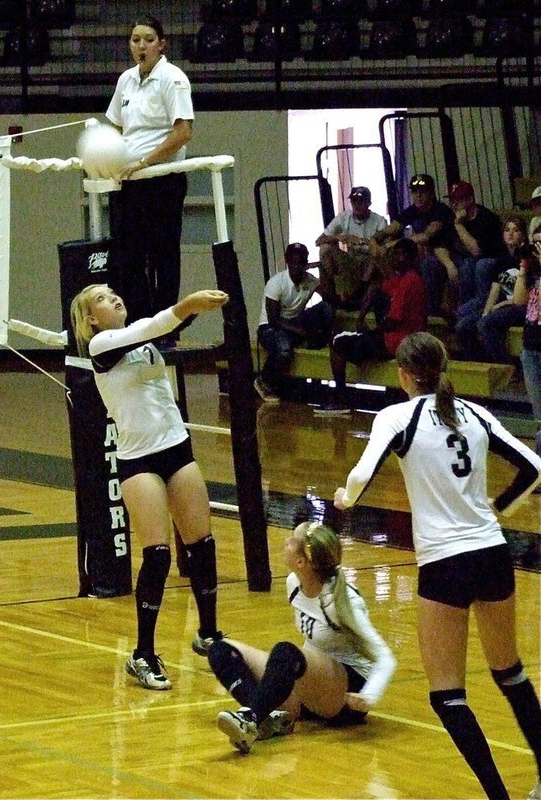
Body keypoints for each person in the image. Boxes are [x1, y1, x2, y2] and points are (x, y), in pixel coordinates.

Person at [334, 331, 541, 800]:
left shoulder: (397, 417)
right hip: (492, 555)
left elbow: (362, 472)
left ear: (404, 374)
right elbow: (533, 465)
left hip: (445, 563)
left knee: (448, 695)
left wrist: (347, 499)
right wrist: (500, 507)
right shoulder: (476, 413)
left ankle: (498, 796)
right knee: (509, 672)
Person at [70, 284, 229, 690]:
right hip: (139, 460)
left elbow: (158, 329)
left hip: (176, 448)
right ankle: (142, 654)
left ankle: (208, 634)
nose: (114, 297)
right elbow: (155, 325)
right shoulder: (101, 346)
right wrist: (187, 305)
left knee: (202, 544)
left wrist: (197, 309)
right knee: (157, 555)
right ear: (91, 319)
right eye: (102, 298)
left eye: (113, 292)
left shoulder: (143, 339)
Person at [209, 521, 396, 755]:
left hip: (346, 694)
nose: (286, 542)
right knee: (220, 650)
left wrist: (369, 696)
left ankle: (250, 718)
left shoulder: (341, 601)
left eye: (291, 540)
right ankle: (268, 719)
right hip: (308, 684)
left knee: (286, 651)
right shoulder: (293, 583)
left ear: (301, 562)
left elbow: (386, 658)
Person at [106, 15, 194, 324]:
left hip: (162, 181)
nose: (141, 46)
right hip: (130, 184)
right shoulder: (125, 80)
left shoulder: (173, 78)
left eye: (148, 39)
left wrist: (144, 161)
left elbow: (183, 132)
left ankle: (167, 325)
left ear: (161, 44)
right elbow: (116, 126)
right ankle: (140, 323)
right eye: (135, 40)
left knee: (163, 255)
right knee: (128, 256)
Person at [314, 238, 427, 415]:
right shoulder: (409, 279)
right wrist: (362, 316)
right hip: (407, 339)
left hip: (396, 341)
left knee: (337, 342)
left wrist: (372, 332)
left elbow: (393, 321)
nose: (397, 258)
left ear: (412, 258)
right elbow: (380, 286)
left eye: (402, 255)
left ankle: (341, 398)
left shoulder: (408, 282)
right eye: (396, 254)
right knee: (374, 291)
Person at [254, 242, 334, 403]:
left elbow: (331, 297)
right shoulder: (276, 283)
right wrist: (302, 332)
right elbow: (274, 319)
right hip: (270, 328)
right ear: (287, 261)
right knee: (284, 349)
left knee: (327, 307)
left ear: (306, 263)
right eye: (294, 262)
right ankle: (263, 381)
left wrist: (322, 269)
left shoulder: (310, 280)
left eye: (301, 262)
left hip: (295, 323)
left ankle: (320, 340)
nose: (297, 266)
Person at [374, 174, 454, 315]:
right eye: (415, 192)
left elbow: (426, 236)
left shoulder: (441, 210)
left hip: (444, 255)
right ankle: (393, 302)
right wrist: (374, 240)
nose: (418, 196)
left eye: (422, 192)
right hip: (422, 254)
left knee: (428, 264)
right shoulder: (412, 210)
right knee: (386, 257)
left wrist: (393, 244)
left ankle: (431, 311)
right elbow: (392, 228)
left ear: (431, 193)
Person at [456, 215, 528, 362]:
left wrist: (500, 305)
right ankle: (480, 364)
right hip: (503, 306)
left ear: (523, 235)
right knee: (463, 326)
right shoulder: (501, 260)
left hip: (522, 307)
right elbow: (495, 290)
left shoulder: (527, 257)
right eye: (507, 230)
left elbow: (528, 294)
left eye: (515, 230)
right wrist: (486, 311)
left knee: (485, 325)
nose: (510, 233)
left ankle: (506, 367)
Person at [315, 186, 388, 311]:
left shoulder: (379, 221)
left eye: (361, 201)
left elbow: (384, 248)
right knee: (325, 249)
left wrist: (359, 241)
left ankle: (359, 291)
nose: (357, 205)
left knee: (375, 257)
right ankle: (333, 296)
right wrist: (338, 237)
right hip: (351, 260)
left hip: (370, 261)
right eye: (354, 201)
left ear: (369, 203)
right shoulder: (343, 218)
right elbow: (319, 241)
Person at [441, 180, 504, 307]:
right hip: (462, 257)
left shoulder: (486, 218)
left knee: (470, 265)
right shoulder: (450, 216)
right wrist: (449, 264)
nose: (453, 205)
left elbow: (476, 251)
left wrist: (458, 225)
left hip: (490, 258)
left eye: (457, 200)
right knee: (430, 263)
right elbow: (440, 245)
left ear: (470, 200)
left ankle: (472, 306)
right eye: (451, 201)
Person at [513, 229, 541, 461]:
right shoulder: (532, 273)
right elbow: (519, 300)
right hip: (531, 348)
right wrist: (523, 268)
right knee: (539, 417)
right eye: (535, 243)